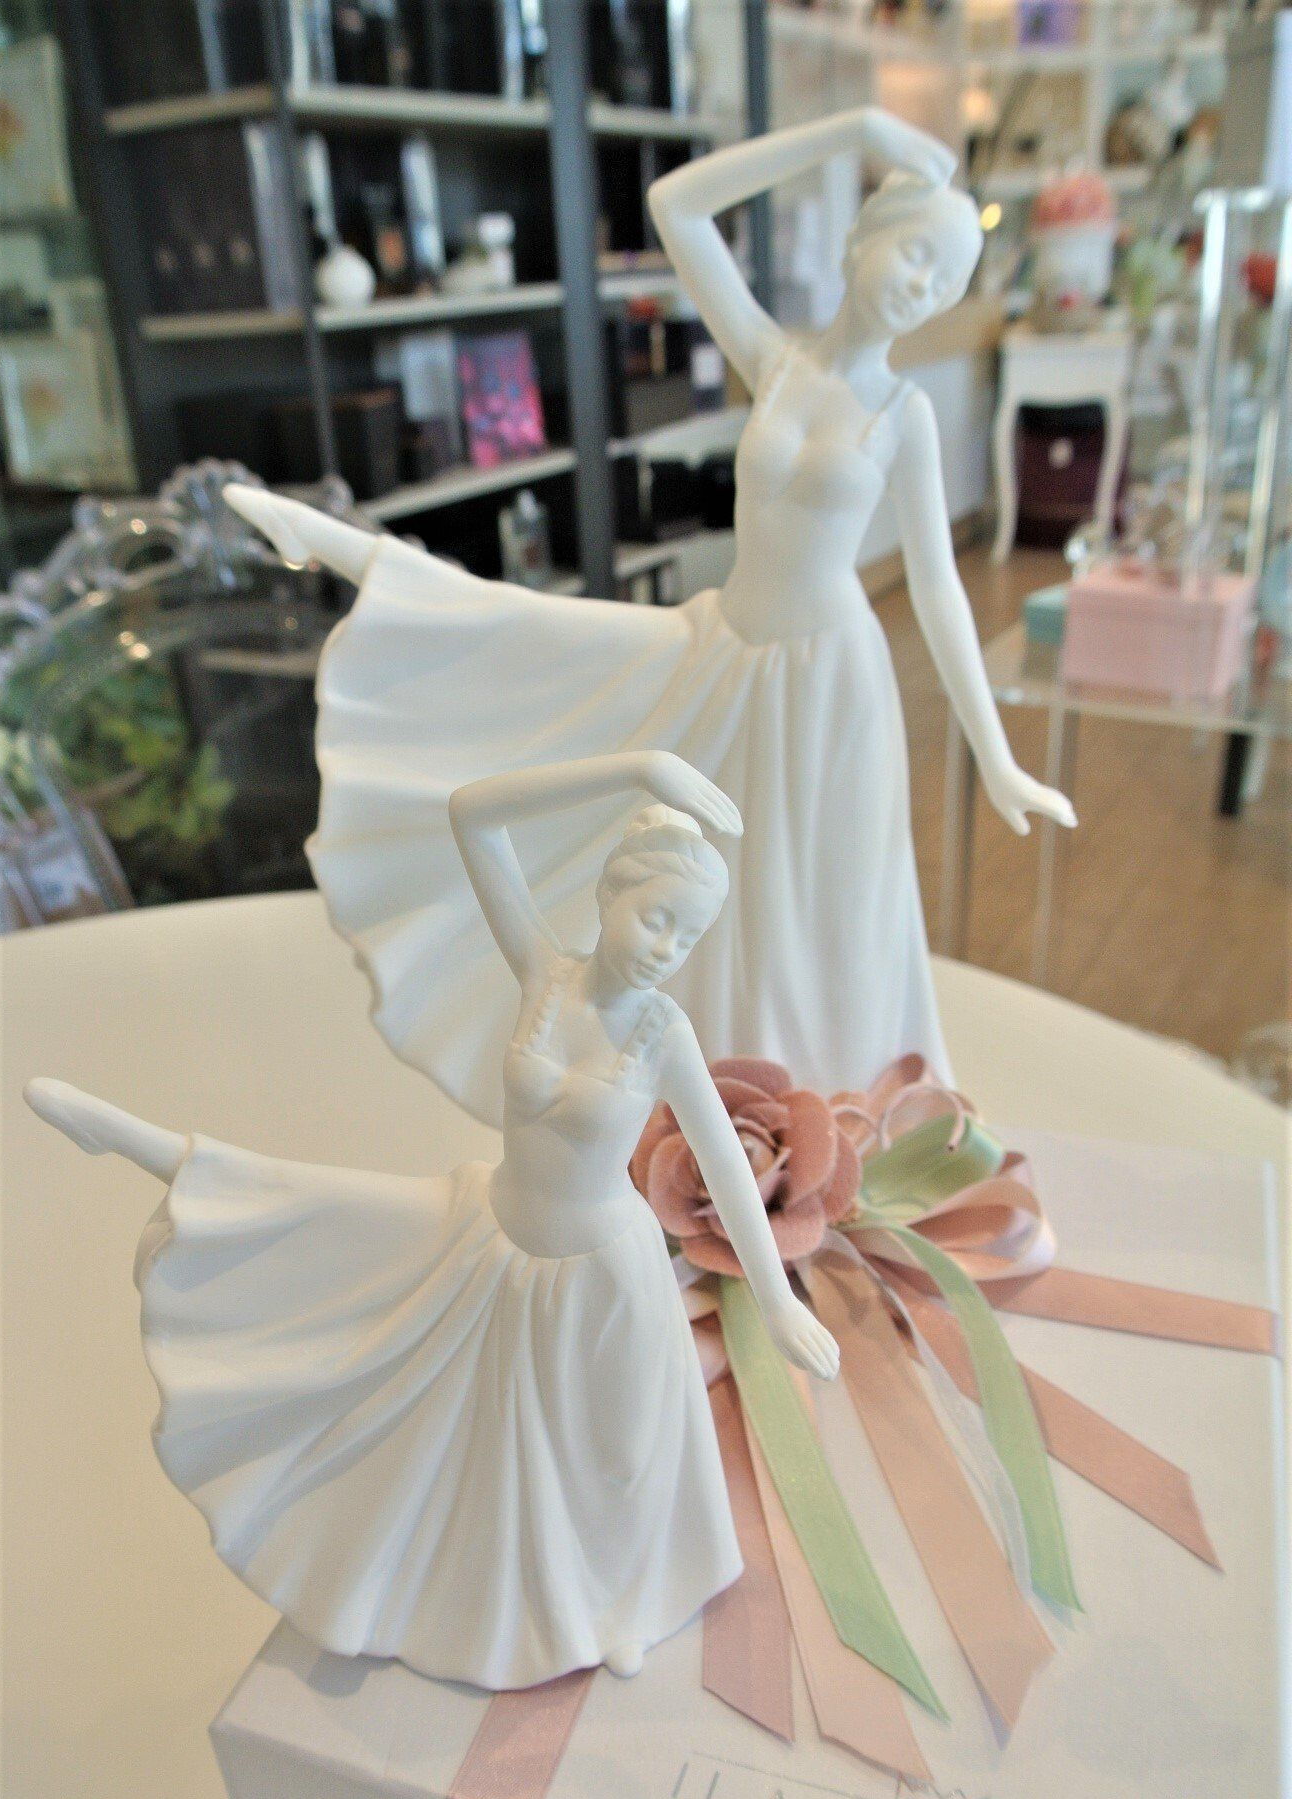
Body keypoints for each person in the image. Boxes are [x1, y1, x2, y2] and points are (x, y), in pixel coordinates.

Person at [225, 107, 1072, 1128]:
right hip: (727, 651)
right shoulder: (776, 360)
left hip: (831, 679)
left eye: (946, 280)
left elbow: (937, 586)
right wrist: (847, 133)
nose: (922, 288)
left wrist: (996, 754)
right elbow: (677, 206)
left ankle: (839, 1131)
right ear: (863, 241)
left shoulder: (906, 414)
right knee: (541, 654)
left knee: (830, 911)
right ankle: (727, 1118)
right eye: (916, 255)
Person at [25, 752, 838, 1691]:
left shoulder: (664, 1034)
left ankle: (623, 1601)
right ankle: (147, 1144)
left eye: (686, 936)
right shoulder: (544, 972)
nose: (665, 948)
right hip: (494, 1231)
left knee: (615, 1454)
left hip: (600, 1271)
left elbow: (728, 1166)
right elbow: (472, 815)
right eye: (655, 918)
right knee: (327, 1224)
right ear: (610, 894)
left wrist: (775, 1299)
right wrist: (636, 770)